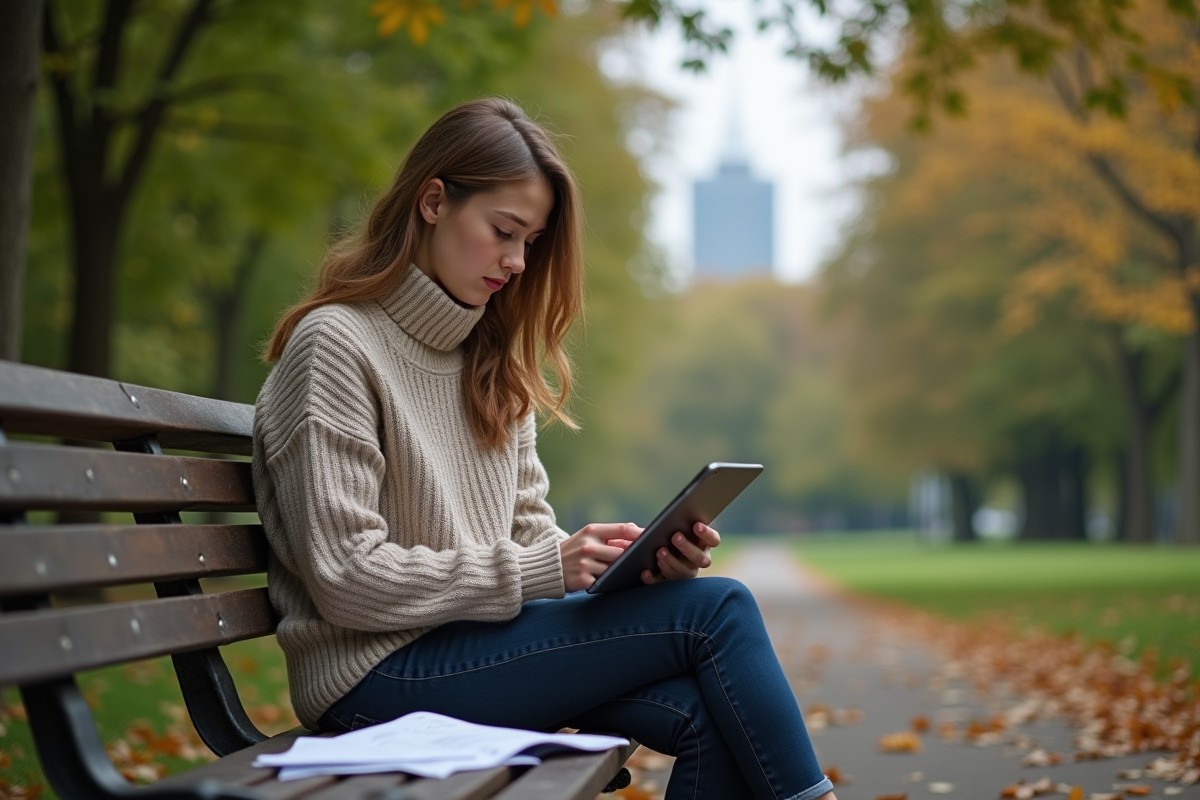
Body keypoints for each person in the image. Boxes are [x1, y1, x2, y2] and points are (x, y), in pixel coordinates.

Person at [253, 97, 836, 800]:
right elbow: (345, 577)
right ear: (434, 202)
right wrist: (541, 568)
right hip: (374, 679)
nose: (517, 262)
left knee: (707, 710)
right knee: (720, 610)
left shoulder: (491, 363)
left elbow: (531, 536)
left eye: (530, 243)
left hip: (478, 654)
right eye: (504, 232)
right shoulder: (338, 347)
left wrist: (633, 570)